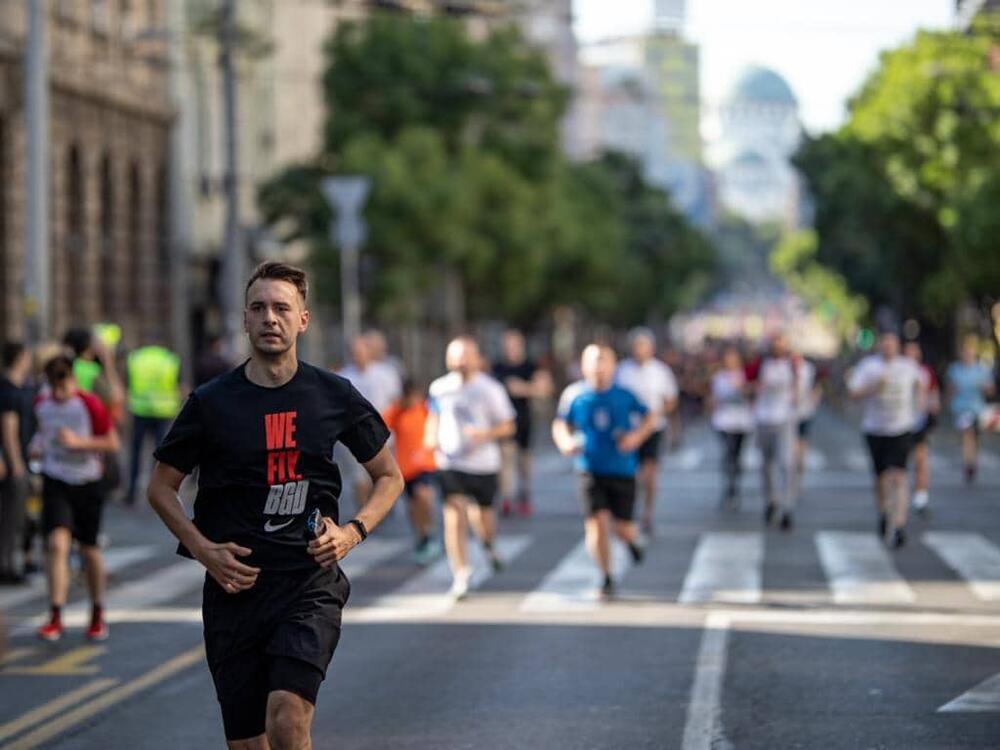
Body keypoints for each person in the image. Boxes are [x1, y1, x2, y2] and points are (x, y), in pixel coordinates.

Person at [148, 261, 403, 749]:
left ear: (302, 320)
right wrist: (204, 550)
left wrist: (353, 531)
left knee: (287, 720)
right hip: (234, 591)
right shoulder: (211, 402)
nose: (270, 318)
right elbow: (161, 487)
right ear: (244, 319)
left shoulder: (332, 395)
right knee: (247, 743)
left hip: (307, 582)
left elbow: (389, 475)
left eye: (282, 308)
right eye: (259, 308)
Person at [552, 344, 655, 599]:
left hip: (622, 469)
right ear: (584, 366)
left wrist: (636, 437)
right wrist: (565, 441)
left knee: (622, 528)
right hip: (589, 469)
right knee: (596, 524)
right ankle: (606, 576)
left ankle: (631, 541)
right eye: (593, 361)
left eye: (603, 360)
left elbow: (650, 418)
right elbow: (560, 423)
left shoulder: (625, 394)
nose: (598, 366)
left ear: (613, 365)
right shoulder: (574, 395)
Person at [32, 355, 120, 641]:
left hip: (86, 481)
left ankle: (97, 611)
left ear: (72, 379)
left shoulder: (88, 403)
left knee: (88, 548)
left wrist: (79, 443)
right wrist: (36, 447)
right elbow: (40, 435)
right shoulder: (42, 404)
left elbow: (111, 442)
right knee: (56, 544)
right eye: (53, 387)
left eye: (63, 386)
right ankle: (55, 615)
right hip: (55, 478)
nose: (59, 394)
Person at [425, 336, 515, 600]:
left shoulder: (490, 389)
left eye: (466, 355)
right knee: (453, 515)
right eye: (456, 356)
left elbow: (509, 424)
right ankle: (461, 572)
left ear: (477, 358)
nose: (461, 361)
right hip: (449, 461)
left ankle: (487, 543)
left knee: (483, 518)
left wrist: (485, 434)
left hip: (483, 464)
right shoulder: (439, 387)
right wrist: (430, 438)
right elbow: (434, 415)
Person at [847, 330, 924, 548]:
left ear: (898, 346)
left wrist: (922, 411)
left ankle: (899, 524)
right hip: (875, 429)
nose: (889, 347)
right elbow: (853, 394)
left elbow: (922, 387)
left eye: (893, 344)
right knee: (880, 477)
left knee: (899, 476)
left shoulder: (908, 366)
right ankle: (883, 512)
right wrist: (874, 387)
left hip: (901, 428)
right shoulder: (869, 367)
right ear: (880, 345)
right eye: (885, 344)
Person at [615, 328, 678, 535]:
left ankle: (647, 513)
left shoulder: (661, 372)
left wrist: (658, 413)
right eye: (637, 346)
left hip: (653, 428)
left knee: (650, 473)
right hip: (628, 429)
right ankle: (628, 509)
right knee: (630, 473)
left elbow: (670, 400)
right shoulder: (622, 371)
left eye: (644, 346)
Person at [337, 335, 402, 508]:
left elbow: (396, 401)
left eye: (361, 351)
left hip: (384, 433)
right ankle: (363, 513)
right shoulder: (343, 377)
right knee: (360, 478)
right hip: (355, 434)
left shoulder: (386, 374)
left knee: (383, 475)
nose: (358, 355)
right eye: (354, 352)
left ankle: (382, 509)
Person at [492, 328, 551, 518]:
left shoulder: (530, 366)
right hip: (504, 420)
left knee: (524, 462)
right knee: (506, 459)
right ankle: (507, 498)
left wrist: (522, 388)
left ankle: (524, 495)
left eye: (514, 345)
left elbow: (544, 389)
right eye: (507, 345)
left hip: (525, 418)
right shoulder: (498, 367)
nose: (510, 349)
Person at [383, 379, 441, 565]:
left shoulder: (426, 409)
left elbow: (436, 420)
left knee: (424, 495)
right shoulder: (397, 411)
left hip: (425, 464)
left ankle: (428, 531)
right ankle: (423, 536)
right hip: (405, 468)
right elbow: (380, 426)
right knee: (413, 505)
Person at [748, 333, 799, 531]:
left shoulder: (792, 365)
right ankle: (771, 500)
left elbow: (797, 388)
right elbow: (747, 385)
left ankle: (787, 505)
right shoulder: (760, 364)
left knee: (786, 463)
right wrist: (757, 388)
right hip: (763, 418)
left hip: (784, 419)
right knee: (766, 464)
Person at [123, 340, 182, 506]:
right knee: (160, 455)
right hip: (163, 411)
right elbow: (179, 386)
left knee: (135, 452)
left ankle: (132, 492)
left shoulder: (135, 358)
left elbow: (128, 384)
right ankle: (156, 490)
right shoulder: (170, 359)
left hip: (139, 410)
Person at [0, 342, 35, 584]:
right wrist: (16, 465)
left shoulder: (22, 387)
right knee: (11, 517)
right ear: (20, 358)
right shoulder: (8, 391)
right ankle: (6, 566)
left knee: (21, 516)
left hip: (22, 460)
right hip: (14, 464)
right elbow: (9, 430)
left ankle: (16, 561)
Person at [708, 345, 753, 509]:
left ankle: (735, 487)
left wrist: (743, 388)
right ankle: (728, 488)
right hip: (723, 422)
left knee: (737, 457)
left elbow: (752, 393)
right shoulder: (719, 377)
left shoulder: (744, 375)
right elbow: (713, 398)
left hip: (742, 422)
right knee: (728, 454)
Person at [946, 338, 995, 484]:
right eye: (965, 352)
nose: (967, 355)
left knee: (974, 438)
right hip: (960, 408)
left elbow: (990, 391)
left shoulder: (981, 370)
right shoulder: (954, 369)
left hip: (977, 409)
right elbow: (949, 389)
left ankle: (971, 459)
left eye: (970, 352)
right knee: (967, 435)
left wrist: (984, 387)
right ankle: (969, 465)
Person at [905, 340, 940, 515]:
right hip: (899, 425)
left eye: (914, 351)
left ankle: (921, 498)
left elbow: (934, 393)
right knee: (899, 467)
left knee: (921, 460)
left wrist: (934, 408)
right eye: (908, 351)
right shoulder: (898, 370)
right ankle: (898, 499)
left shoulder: (926, 372)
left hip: (919, 422)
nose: (911, 354)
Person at [791, 350, 821, 506]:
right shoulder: (784, 367)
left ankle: (798, 478)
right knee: (791, 451)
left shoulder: (809, 368)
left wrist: (814, 399)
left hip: (804, 414)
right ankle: (791, 479)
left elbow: (816, 386)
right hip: (787, 417)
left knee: (801, 451)